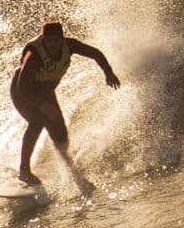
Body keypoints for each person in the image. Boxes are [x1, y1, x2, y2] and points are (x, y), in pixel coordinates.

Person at [10, 20, 119, 194]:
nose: (53, 44)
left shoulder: (70, 45)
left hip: (45, 92)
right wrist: (42, 105)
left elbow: (95, 53)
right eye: (49, 41)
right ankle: (24, 170)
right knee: (37, 121)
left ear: (62, 38)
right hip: (23, 91)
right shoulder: (34, 54)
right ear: (44, 39)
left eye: (57, 40)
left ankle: (71, 169)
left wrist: (108, 72)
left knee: (61, 134)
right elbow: (23, 86)